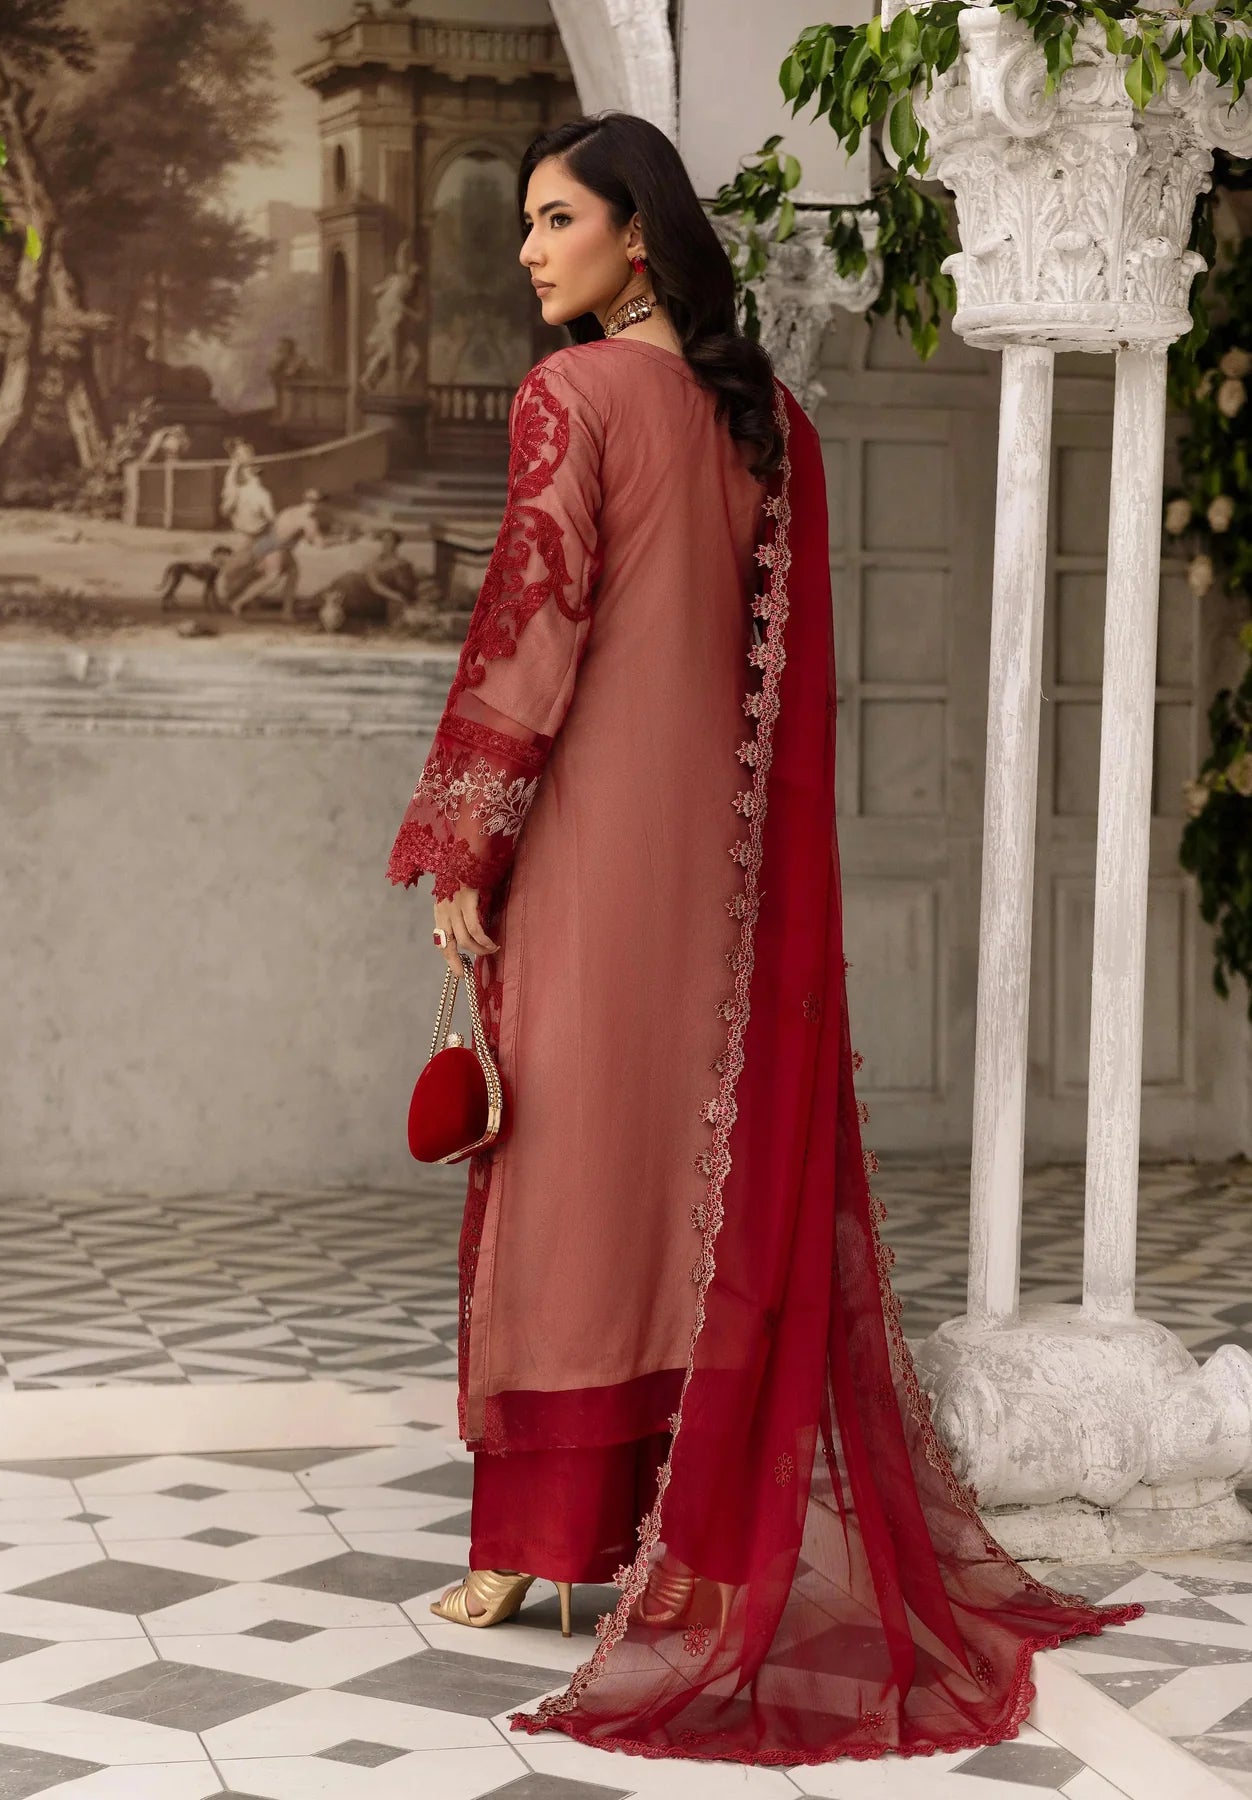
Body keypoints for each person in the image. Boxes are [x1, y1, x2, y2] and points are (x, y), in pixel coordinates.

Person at [384, 111, 1144, 1767]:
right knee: (682, 1174)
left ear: (634, 235)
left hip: (589, 845)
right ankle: (677, 1532)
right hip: (725, 890)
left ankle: (537, 1547)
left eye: (553, 219)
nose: (528, 251)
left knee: (569, 1170)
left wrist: (466, 834)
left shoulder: (569, 399)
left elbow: (535, 617)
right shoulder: (768, 425)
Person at [229, 488, 327, 618]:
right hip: (277, 548)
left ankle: (286, 611)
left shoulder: (290, 510)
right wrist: (343, 539)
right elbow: (320, 544)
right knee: (272, 578)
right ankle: (238, 602)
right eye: (321, 504)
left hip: (266, 544)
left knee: (293, 572)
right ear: (318, 504)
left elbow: (278, 528)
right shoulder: (309, 520)